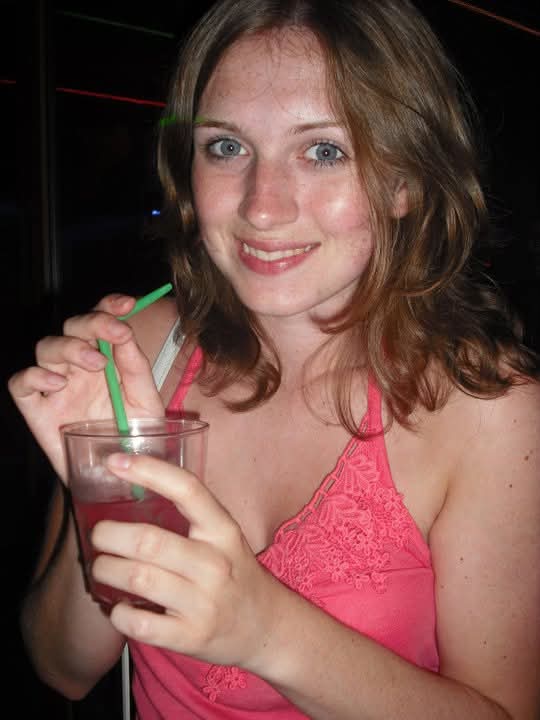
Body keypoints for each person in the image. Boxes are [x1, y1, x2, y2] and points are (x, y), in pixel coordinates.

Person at [8, 0, 540, 718]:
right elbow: (61, 666)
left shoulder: (490, 414)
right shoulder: (141, 351)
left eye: (324, 152)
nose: (262, 207)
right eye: (227, 147)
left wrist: (265, 631)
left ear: (405, 183)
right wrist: (114, 479)